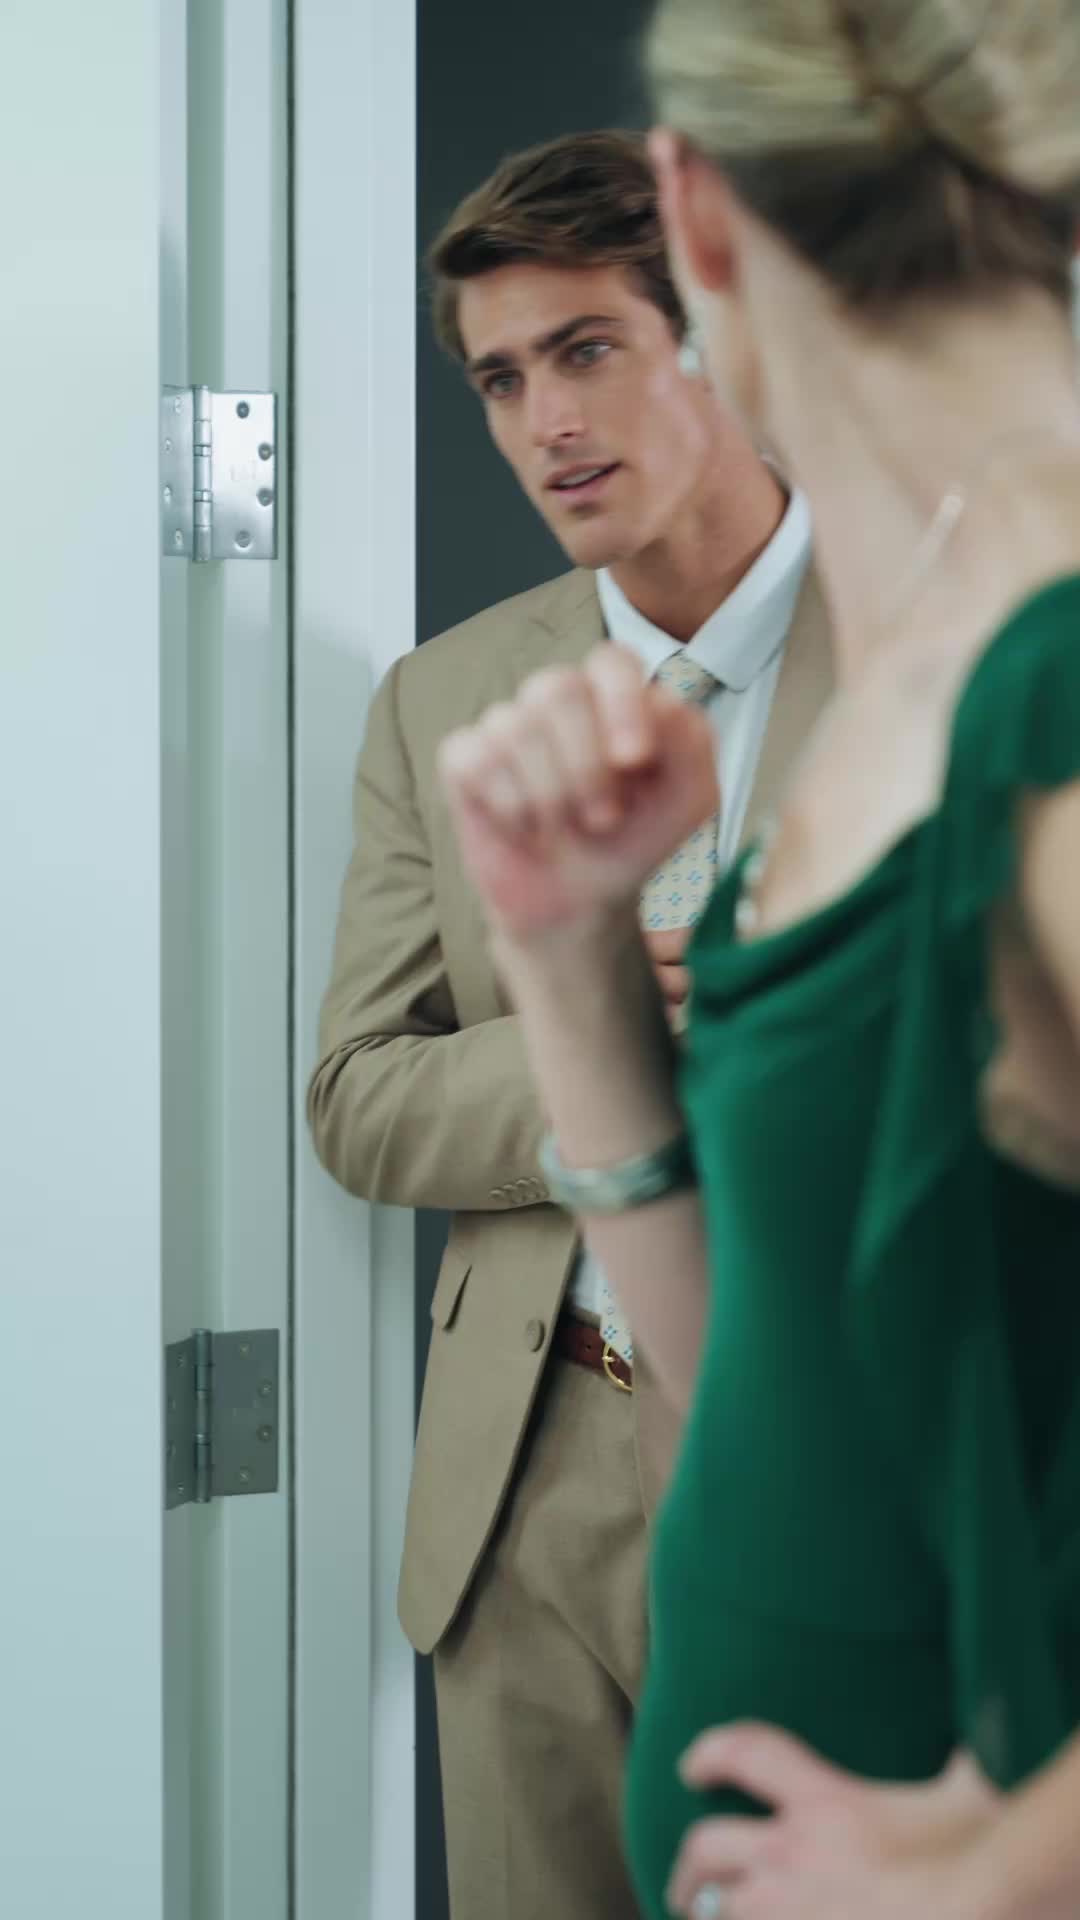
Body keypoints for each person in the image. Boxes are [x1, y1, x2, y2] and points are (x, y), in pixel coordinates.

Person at [435, 4, 1080, 1919]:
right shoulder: (933, 643)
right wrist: (567, 960)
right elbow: (768, 1373)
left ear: (694, 215)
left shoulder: (1050, 684)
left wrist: (1004, 1869)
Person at [308, 130, 829, 1920]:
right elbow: (358, 1095)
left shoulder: (949, 648)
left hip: (836, 1456)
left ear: (720, 331)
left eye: (588, 348)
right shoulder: (443, 697)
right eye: (501, 379)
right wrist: (590, 1034)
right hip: (528, 1481)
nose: (547, 423)